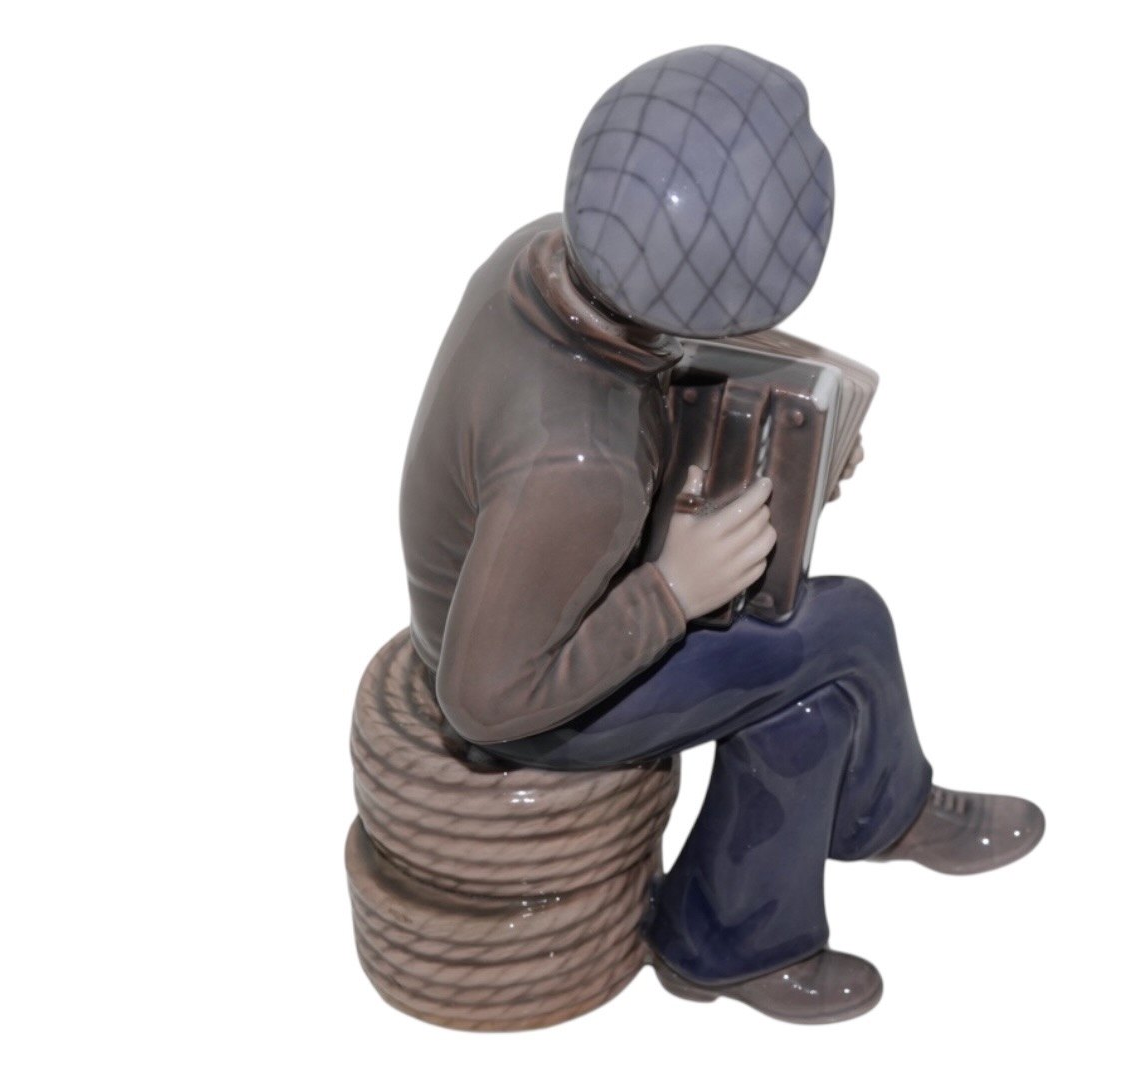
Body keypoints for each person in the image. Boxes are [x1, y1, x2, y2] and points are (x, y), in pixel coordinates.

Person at [399, 45, 1043, 1024]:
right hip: (539, 704)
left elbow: (643, 366)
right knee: (848, 624)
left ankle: (736, 930)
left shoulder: (543, 254)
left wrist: (787, 434)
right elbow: (484, 701)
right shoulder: (583, 467)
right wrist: (673, 591)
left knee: (806, 715)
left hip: (540, 580)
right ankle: (876, 822)